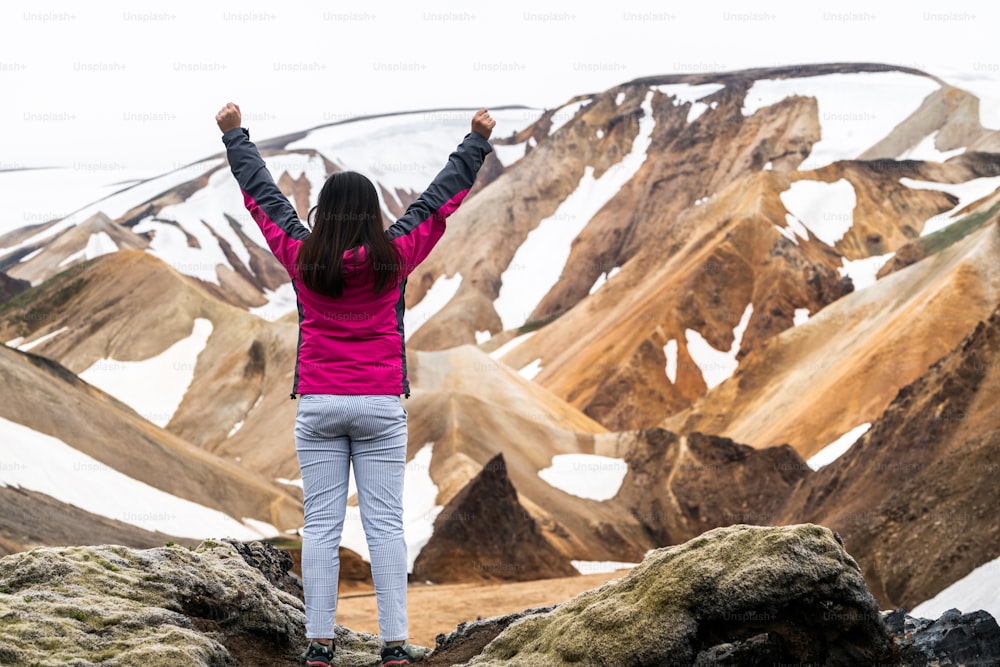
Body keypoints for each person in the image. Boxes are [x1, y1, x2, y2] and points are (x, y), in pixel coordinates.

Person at [215, 102, 495, 666]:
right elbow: (436, 204)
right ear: (371, 213)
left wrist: (235, 137)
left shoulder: (300, 255)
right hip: (381, 405)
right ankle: (394, 647)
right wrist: (475, 142)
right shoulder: (396, 254)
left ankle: (319, 646)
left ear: (323, 213)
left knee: (319, 526)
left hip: (318, 403)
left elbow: (264, 199)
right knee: (385, 524)